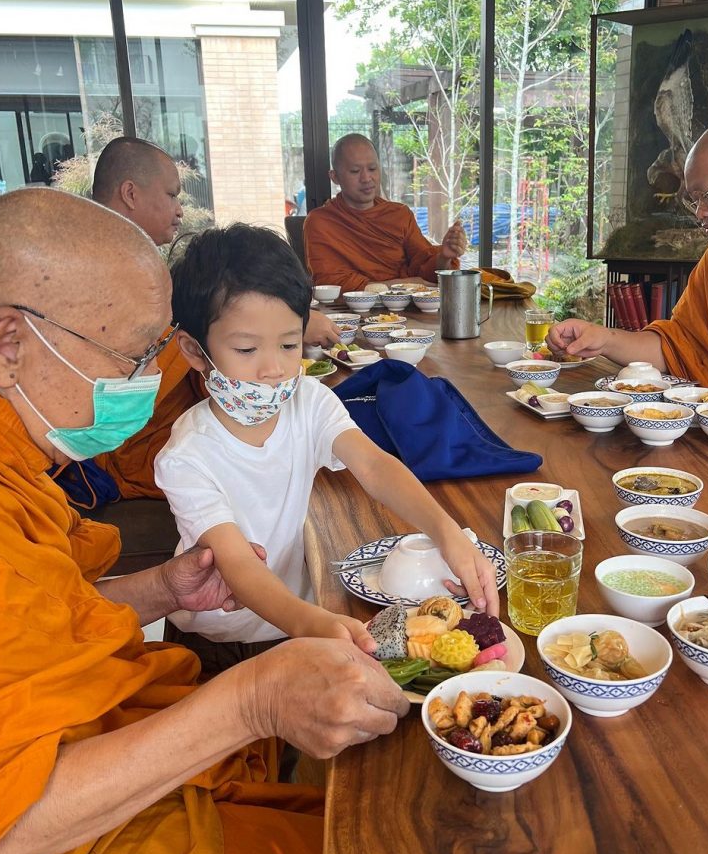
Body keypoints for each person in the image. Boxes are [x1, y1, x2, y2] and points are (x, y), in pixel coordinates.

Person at [0, 187, 410, 854]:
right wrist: (250, 701)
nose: (153, 382)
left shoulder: (16, 460)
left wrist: (157, 586)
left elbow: (49, 608)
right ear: (9, 343)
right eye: (138, 354)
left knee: (340, 816)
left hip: (97, 743)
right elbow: (5, 820)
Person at [154, 223, 498, 660]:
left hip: (302, 622)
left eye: (288, 344)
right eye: (246, 350)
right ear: (192, 349)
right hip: (220, 641)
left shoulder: (308, 400)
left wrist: (448, 532)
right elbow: (237, 564)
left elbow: (374, 467)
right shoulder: (187, 456)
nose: (273, 369)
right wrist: (314, 624)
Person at [85, 138, 339, 501]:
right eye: (173, 195)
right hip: (132, 443)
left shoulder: (135, 258)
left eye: (289, 342)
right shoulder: (94, 264)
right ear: (130, 193)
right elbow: (144, 355)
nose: (179, 211)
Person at [547, 118, 708, 403]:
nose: (699, 213)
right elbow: (679, 347)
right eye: (693, 201)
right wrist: (604, 339)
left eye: (707, 195)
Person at [303, 133, 467, 291]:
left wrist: (444, 257)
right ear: (335, 177)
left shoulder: (399, 215)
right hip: (348, 314)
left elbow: (425, 270)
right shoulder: (321, 222)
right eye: (355, 171)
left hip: (406, 311)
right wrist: (401, 286)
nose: (367, 178)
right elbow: (329, 284)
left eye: (373, 169)